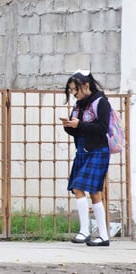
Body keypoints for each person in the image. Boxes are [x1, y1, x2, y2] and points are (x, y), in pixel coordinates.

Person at [61, 69, 111, 247]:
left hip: (97, 151)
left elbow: (102, 128)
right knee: (84, 190)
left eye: (76, 89)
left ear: (86, 85)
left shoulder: (101, 102)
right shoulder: (78, 105)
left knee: (85, 189)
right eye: (72, 90)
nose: (73, 93)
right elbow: (78, 129)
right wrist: (69, 126)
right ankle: (95, 234)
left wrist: (80, 124)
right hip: (82, 150)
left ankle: (92, 233)